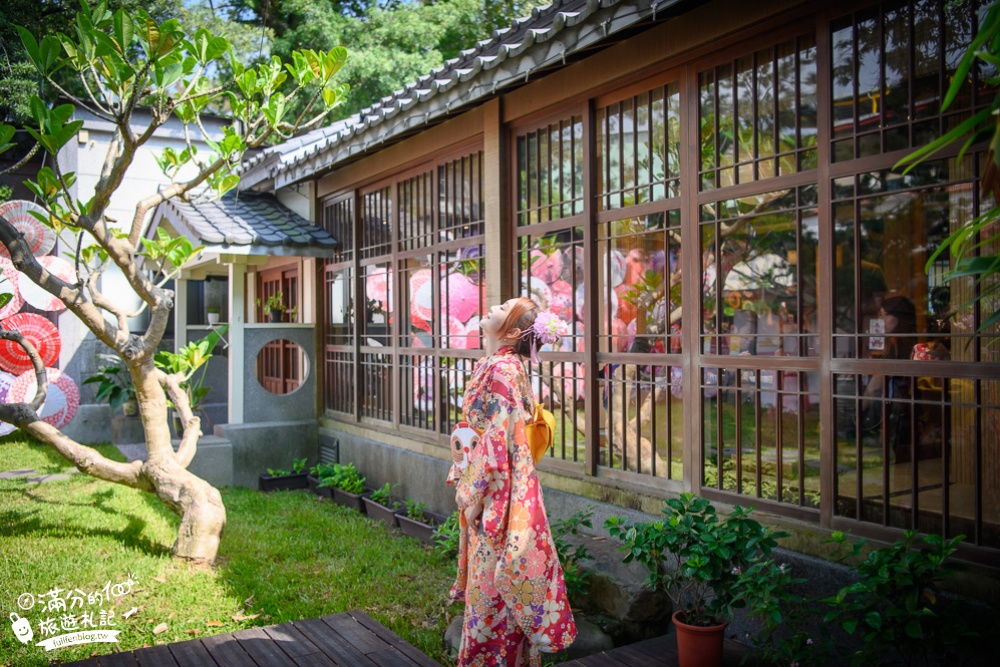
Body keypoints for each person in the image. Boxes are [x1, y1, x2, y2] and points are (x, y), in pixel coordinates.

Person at [447, 296, 577, 666]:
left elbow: (500, 437)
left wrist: (472, 494)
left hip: (497, 492)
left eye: (504, 307)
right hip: (501, 484)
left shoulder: (503, 369)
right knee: (492, 590)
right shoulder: (503, 364)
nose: (493, 306)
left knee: (490, 594)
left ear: (514, 331)